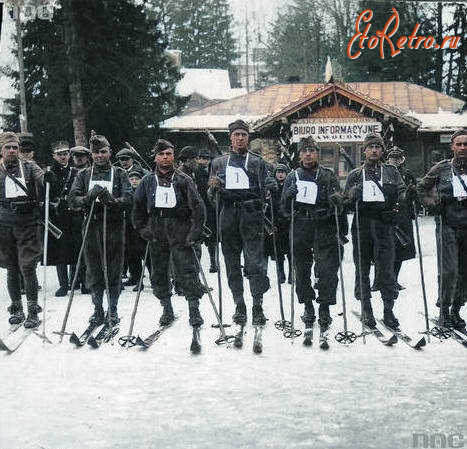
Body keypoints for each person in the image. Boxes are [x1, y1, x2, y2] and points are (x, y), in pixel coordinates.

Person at [208, 119, 277, 326]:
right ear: (230, 137)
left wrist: (271, 188)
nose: (240, 138)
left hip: (251, 215)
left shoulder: (257, 162)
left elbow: (267, 192)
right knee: (231, 265)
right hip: (228, 215)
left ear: (248, 137)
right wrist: (214, 189)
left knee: (255, 264)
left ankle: (257, 306)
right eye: (236, 134)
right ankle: (240, 306)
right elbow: (211, 199)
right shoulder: (219, 163)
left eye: (243, 135)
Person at [132, 139, 206, 328]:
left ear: (173, 156)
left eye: (169, 154)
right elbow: (137, 207)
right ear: (155, 158)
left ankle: (194, 309)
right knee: (158, 273)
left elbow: (197, 207)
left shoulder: (183, 180)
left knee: (187, 272)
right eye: (161, 154)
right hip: (157, 232)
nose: (165, 158)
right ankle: (167, 308)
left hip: (180, 230)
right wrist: (142, 228)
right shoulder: (148, 181)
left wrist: (194, 232)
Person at [68, 134, 132, 326]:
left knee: (114, 270)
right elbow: (72, 200)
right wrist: (88, 198)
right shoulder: (83, 175)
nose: (100, 155)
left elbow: (129, 199)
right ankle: (97, 309)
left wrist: (112, 200)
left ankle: (113, 309)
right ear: (91, 154)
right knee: (93, 269)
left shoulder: (119, 174)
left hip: (113, 226)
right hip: (91, 225)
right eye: (96, 152)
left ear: (109, 152)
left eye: (103, 151)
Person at [344, 133, 406, 328]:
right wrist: (352, 196)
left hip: (384, 225)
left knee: (386, 268)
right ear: (364, 151)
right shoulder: (355, 174)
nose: (373, 150)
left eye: (377, 147)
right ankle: (367, 308)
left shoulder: (391, 172)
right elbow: (345, 203)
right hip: (362, 225)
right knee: (362, 267)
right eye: (370, 147)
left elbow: (402, 193)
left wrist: (397, 207)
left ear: (382, 150)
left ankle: (388, 310)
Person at [280, 138, 343, 329]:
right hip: (301, 225)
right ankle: (308, 306)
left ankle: (324, 307)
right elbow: (283, 209)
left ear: (317, 153)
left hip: (323, 225)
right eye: (304, 151)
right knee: (301, 269)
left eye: (312, 150)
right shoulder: (292, 176)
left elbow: (340, 205)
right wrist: (289, 198)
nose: (308, 154)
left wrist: (336, 202)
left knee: (327, 269)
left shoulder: (328, 176)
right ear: (299, 155)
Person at [417, 129, 467, 329]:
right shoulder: (442, 168)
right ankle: (444, 309)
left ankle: (457, 309)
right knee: (449, 271)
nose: (463, 148)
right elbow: (422, 188)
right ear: (452, 147)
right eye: (459, 144)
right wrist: (432, 203)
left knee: (465, 271)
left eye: (466, 144)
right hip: (448, 225)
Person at [0, 132, 44, 328]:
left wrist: (47, 178)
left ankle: (33, 310)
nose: (12, 150)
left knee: (27, 266)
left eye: (15, 147)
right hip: (4, 223)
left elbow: (41, 179)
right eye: (8, 147)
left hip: (28, 222)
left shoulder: (28, 166)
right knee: (11, 267)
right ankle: (16, 308)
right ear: (2, 150)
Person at [46, 140, 80, 297]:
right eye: (59, 154)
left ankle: (76, 281)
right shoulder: (49, 173)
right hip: (58, 216)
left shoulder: (75, 172)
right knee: (60, 251)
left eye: (65, 154)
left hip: (74, 214)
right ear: (54, 156)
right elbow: (45, 195)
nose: (63, 157)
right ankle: (63, 284)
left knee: (75, 247)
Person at [386, 146, 416, 290]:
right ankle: (381, 280)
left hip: (402, 215)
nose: (395, 160)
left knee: (400, 249)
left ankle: (394, 279)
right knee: (384, 248)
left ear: (402, 159)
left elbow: (414, 194)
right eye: (392, 157)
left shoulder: (407, 174)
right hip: (386, 215)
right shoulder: (383, 172)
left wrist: (413, 193)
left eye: (397, 158)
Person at [124, 166, 150, 291]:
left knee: (148, 256)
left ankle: (156, 280)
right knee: (133, 257)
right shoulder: (126, 194)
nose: (134, 181)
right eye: (131, 179)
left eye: (137, 179)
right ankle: (138, 279)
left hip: (143, 228)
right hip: (130, 230)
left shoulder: (145, 192)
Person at [197, 148, 217, 273]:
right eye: (202, 158)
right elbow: (203, 187)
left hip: (211, 207)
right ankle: (196, 266)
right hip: (200, 206)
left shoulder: (212, 171)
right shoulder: (195, 172)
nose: (204, 161)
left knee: (212, 237)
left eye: (207, 159)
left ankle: (213, 263)